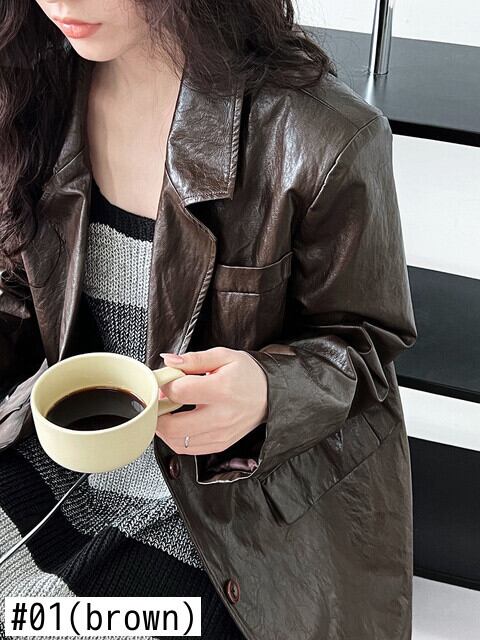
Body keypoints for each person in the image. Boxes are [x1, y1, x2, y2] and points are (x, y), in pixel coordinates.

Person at [0, 1, 418, 639]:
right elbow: (17, 291)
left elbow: (366, 341)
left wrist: (269, 394)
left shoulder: (323, 137)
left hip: (225, 518)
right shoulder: (34, 90)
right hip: (62, 456)